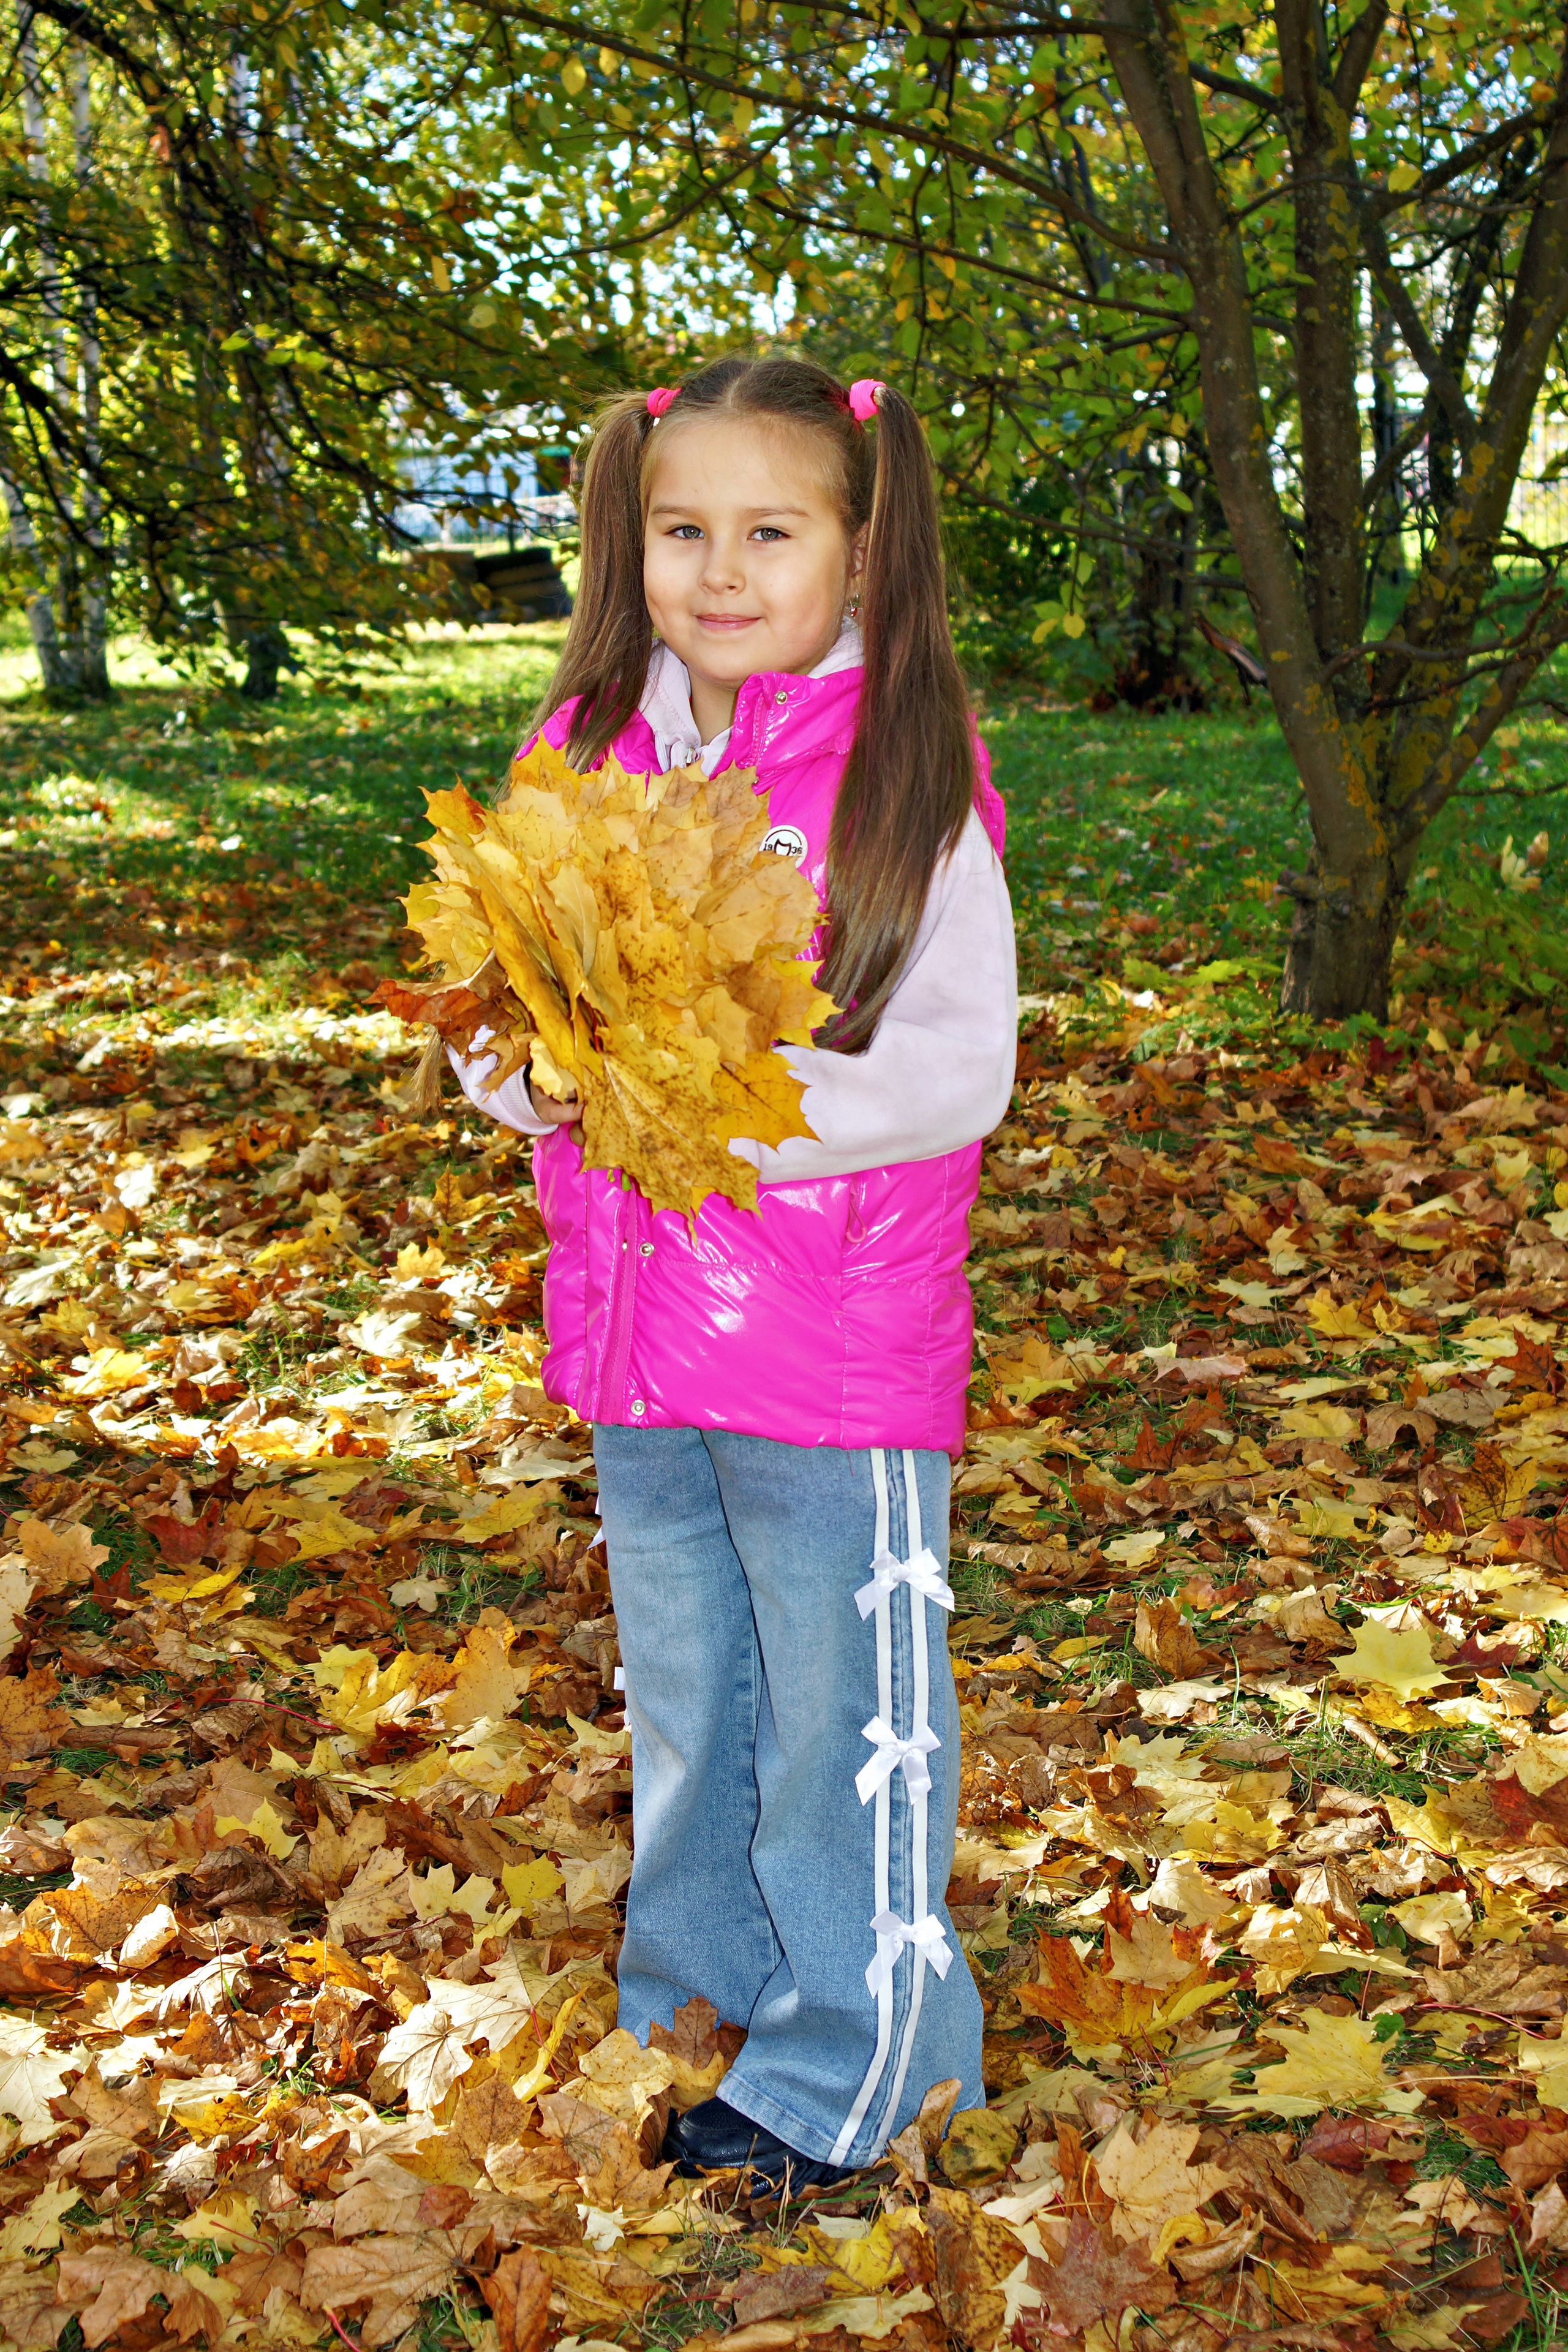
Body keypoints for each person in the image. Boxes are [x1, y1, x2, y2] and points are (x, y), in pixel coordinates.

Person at [451, 353, 1017, 2188]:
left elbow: (955, 1068)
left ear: (857, 554)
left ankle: (865, 2073)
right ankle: (691, 2020)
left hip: (835, 1346)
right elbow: (503, 1005)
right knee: (695, 1702)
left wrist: (711, 1113)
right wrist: (524, 1073)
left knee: (848, 1720)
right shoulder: (589, 745)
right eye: (679, 527)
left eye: (769, 530)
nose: (717, 567)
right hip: (637, 1337)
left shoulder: (900, 770)